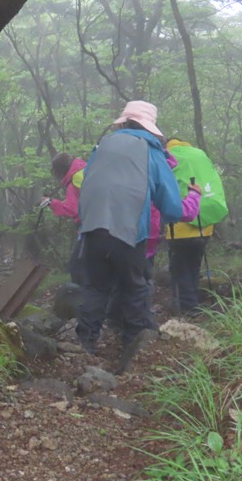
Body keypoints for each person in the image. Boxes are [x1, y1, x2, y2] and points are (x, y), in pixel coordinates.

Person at [76, 101, 201, 370]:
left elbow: (88, 185)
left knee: (95, 288)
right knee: (135, 287)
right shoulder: (151, 151)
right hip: (128, 231)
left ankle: (83, 347)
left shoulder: (102, 148)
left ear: (123, 123)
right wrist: (194, 197)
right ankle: (135, 354)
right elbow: (172, 207)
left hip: (91, 230)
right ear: (150, 128)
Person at [164, 137, 224, 317]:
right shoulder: (200, 155)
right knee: (193, 265)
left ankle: (187, 307)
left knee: (179, 267)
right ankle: (192, 302)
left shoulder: (167, 156)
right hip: (204, 224)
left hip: (179, 225)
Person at [40, 152, 87, 285]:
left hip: (90, 227)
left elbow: (72, 209)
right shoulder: (85, 169)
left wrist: (51, 203)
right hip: (110, 222)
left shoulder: (73, 181)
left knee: (76, 267)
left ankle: (83, 299)